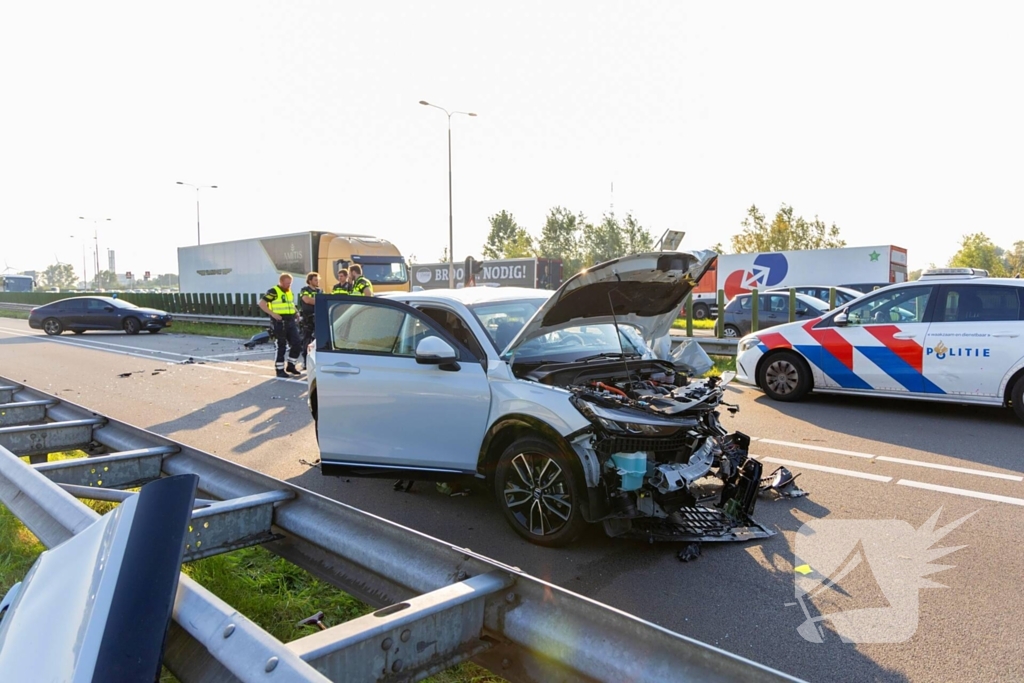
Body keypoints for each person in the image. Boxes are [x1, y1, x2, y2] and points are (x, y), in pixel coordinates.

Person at [258, 273, 303, 379]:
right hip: (279, 322)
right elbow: (261, 303)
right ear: (281, 282)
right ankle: (279, 369)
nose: (289, 285)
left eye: (290, 283)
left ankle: (291, 365)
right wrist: (273, 314)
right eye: (287, 283)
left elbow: (290, 303)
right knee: (281, 345)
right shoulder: (273, 291)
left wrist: (296, 312)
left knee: (297, 343)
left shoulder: (288, 291)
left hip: (290, 320)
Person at [298, 272, 321, 371]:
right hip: (308, 319)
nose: (317, 281)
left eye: (318, 280)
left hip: (319, 317)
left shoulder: (320, 291)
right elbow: (307, 300)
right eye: (315, 280)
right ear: (310, 281)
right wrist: (319, 301)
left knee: (318, 340)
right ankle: (305, 361)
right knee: (306, 339)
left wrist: (316, 300)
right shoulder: (305, 290)